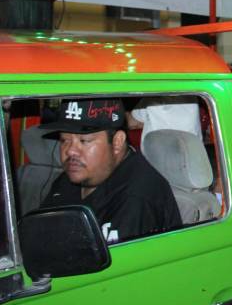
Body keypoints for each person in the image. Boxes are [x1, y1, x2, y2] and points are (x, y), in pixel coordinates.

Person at [39, 99, 182, 243]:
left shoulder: (137, 197)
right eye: (64, 140)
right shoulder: (69, 179)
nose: (70, 151)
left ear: (117, 142)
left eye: (84, 141)